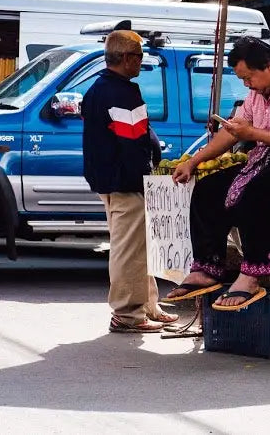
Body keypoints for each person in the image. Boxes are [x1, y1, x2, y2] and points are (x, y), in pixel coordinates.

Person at [165, 37, 270, 311]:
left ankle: (253, 273)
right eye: (242, 79)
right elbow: (230, 134)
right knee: (209, 189)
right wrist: (194, 162)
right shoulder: (258, 94)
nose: (246, 84)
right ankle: (208, 266)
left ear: (268, 66)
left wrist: (252, 133)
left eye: (248, 77)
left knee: (255, 192)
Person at [82, 30, 178, 333]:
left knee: (139, 247)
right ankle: (127, 315)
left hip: (110, 180)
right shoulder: (120, 92)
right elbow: (133, 141)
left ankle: (148, 305)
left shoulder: (98, 88)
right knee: (128, 250)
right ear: (124, 58)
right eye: (138, 56)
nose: (141, 62)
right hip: (126, 181)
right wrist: (149, 174)